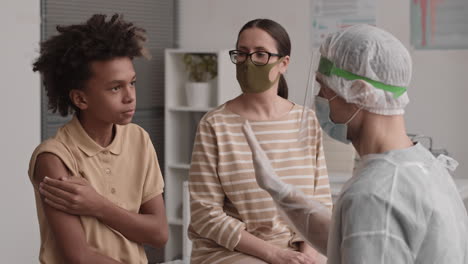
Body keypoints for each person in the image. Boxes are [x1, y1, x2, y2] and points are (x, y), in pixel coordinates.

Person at [243, 24, 468, 263]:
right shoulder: (423, 165)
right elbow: (352, 238)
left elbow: (367, 230)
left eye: (323, 88)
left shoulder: (374, 195)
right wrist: (279, 189)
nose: (318, 99)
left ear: (359, 91)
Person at [188, 18, 332, 264]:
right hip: (231, 251)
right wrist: (274, 255)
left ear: (283, 63)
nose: (248, 62)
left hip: (296, 250)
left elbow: (320, 204)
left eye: (261, 54)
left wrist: (306, 255)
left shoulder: (307, 121)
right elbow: (205, 214)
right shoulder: (215, 124)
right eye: (242, 54)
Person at [29, 14, 168, 264]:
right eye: (115, 87)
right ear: (81, 99)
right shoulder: (53, 159)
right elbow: (79, 258)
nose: (130, 97)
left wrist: (98, 206)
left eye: (132, 83)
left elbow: (158, 233)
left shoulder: (139, 139)